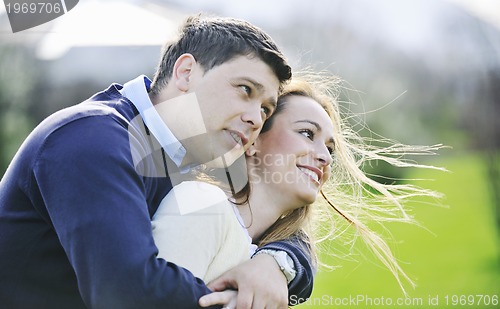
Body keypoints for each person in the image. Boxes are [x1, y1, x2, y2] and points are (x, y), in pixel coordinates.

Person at [0, 14, 314, 308]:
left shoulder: (190, 154)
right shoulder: (92, 140)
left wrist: (276, 263)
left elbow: (282, 226)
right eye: (245, 90)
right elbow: (127, 292)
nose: (254, 118)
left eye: (265, 110)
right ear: (186, 72)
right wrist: (239, 299)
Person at [153, 72, 444, 308]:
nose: (326, 157)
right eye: (307, 134)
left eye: (330, 148)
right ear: (253, 139)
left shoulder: (267, 257)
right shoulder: (202, 203)